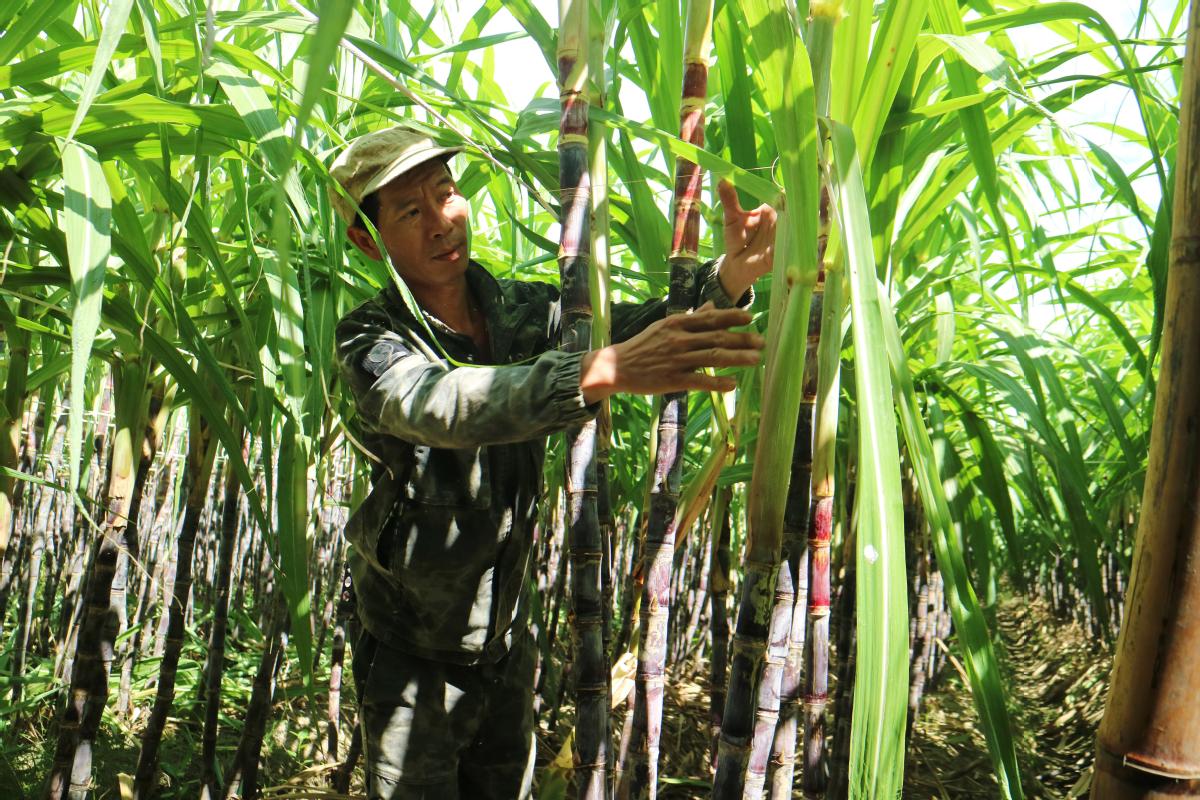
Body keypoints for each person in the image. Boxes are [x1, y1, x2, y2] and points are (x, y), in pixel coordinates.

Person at [330, 123, 777, 800]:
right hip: (409, 653)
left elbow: (637, 332)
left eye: (446, 193)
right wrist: (595, 373)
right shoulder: (370, 337)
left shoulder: (520, 310)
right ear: (368, 241)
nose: (442, 222)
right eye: (410, 212)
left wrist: (731, 276)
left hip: (506, 644)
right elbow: (436, 403)